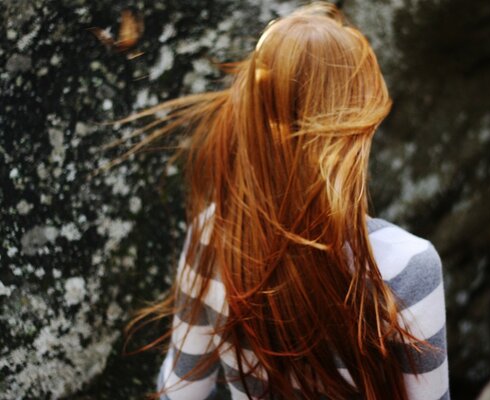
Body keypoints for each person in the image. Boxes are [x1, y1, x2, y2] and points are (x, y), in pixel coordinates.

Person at [124, 2, 449, 399]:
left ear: (249, 114)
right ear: (356, 129)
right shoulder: (409, 266)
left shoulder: (213, 234)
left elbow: (180, 394)